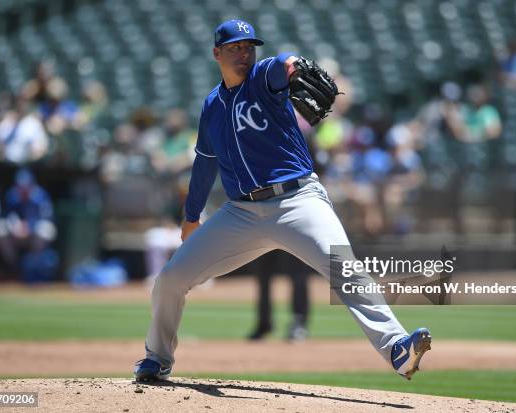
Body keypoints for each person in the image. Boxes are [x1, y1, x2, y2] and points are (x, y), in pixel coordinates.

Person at [134, 19, 431, 382]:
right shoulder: (212, 105)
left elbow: (284, 64)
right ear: (217, 54)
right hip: (240, 213)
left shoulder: (263, 77)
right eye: (235, 48)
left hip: (298, 201)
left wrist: (292, 66)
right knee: (170, 278)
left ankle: (397, 348)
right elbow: (204, 163)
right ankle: (157, 357)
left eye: (249, 47)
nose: (244, 54)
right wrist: (191, 217)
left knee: (346, 269)